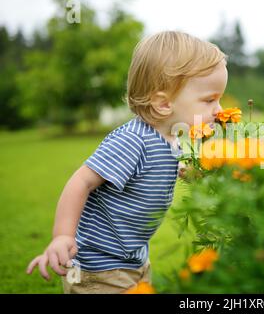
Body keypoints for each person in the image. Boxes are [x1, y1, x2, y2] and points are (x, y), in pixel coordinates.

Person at [26, 31, 228, 293]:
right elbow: (82, 181)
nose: (219, 110)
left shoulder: (170, 138)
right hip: (98, 266)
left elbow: (164, 169)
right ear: (164, 103)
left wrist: (192, 172)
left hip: (133, 260)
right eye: (210, 100)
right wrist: (62, 235)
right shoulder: (134, 140)